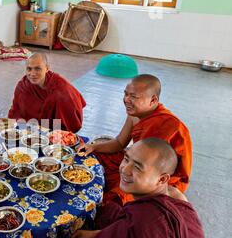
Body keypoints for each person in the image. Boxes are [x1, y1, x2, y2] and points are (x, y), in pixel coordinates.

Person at [34, 138, 206, 238]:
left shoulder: (142, 224)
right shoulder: (176, 196)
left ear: (162, 179)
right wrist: (95, 235)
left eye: (137, 167)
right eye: (126, 159)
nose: (125, 169)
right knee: (109, 210)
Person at [78, 74, 192, 205]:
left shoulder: (168, 125)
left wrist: (126, 173)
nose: (126, 100)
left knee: (115, 201)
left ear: (153, 100)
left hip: (153, 176)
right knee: (89, 155)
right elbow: (120, 142)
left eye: (133, 96)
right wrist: (93, 147)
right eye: (125, 94)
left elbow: (150, 171)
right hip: (136, 162)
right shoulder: (135, 113)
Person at [8, 53, 86, 133]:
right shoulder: (23, 86)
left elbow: (71, 123)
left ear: (47, 68)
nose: (32, 74)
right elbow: (16, 112)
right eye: (29, 69)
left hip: (54, 135)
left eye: (37, 69)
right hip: (29, 131)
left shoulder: (62, 90)